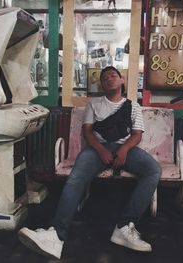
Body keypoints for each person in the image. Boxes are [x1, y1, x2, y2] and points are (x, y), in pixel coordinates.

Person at [18, 66, 162, 259]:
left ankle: (125, 226)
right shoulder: (94, 104)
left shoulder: (132, 106)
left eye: (113, 76)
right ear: (101, 84)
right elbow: (87, 131)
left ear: (121, 81)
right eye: (104, 78)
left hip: (125, 149)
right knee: (76, 178)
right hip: (97, 149)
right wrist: (101, 149)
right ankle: (56, 235)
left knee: (153, 170)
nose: (109, 79)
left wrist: (124, 150)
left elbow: (137, 135)